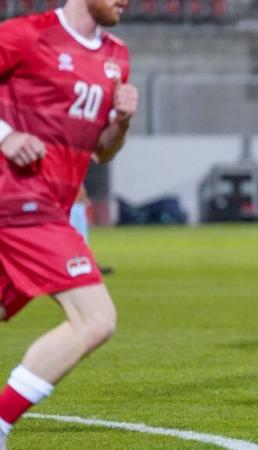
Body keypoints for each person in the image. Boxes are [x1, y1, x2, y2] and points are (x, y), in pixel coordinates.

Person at [0, 0, 137, 447]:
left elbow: (103, 151)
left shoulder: (117, 56)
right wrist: (6, 135)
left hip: (50, 207)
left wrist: (122, 122)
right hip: (18, 200)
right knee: (95, 319)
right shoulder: (26, 34)